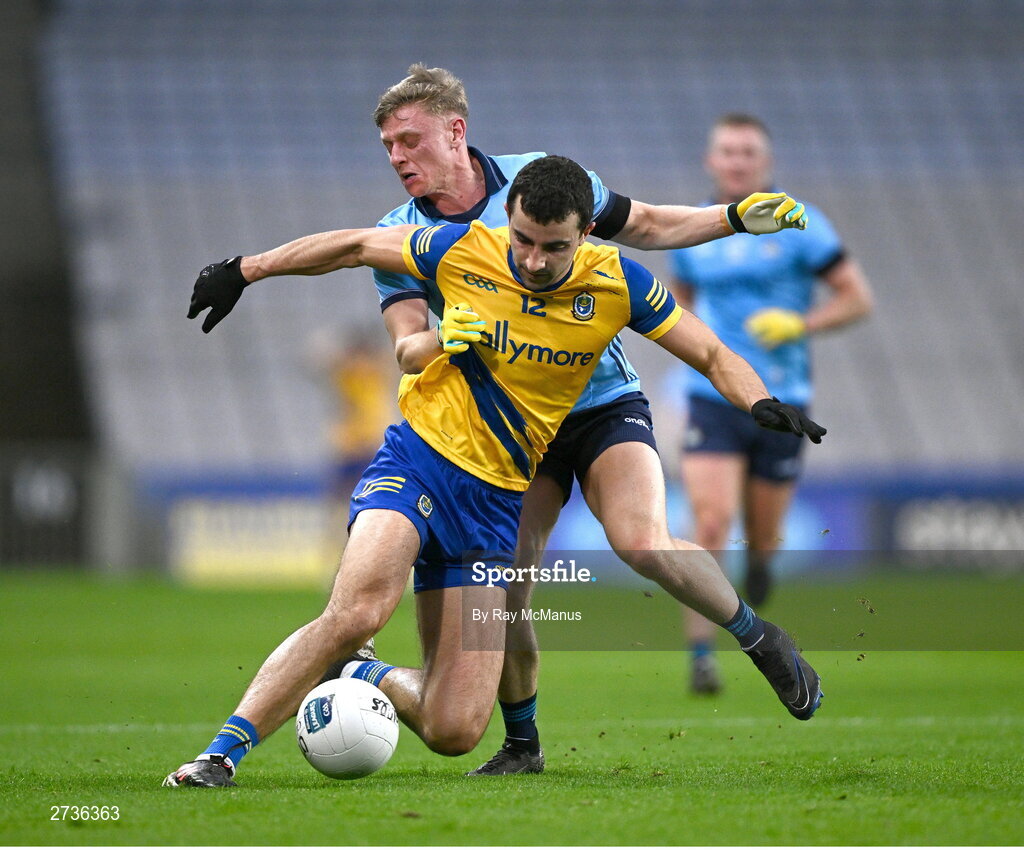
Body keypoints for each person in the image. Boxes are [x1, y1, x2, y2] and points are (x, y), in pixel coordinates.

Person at [167, 155, 825, 788]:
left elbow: (708, 347)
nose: (534, 260)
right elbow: (354, 247)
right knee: (361, 609)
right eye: (523, 240)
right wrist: (244, 270)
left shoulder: (618, 281)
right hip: (421, 463)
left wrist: (761, 399)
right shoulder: (458, 249)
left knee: (460, 722)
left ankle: (757, 640)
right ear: (506, 217)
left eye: (554, 248)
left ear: (586, 233)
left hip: (534, 465)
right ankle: (220, 757)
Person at [361, 65, 811, 776]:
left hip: (601, 407)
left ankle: (760, 639)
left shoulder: (547, 183)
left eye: (408, 139)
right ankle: (522, 745)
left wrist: (729, 217)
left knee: (641, 541)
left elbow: (654, 228)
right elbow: (406, 345)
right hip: (508, 427)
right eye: (386, 144)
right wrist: (429, 344)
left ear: (455, 130)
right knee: (505, 585)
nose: (396, 157)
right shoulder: (397, 236)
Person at [669, 114, 874, 694]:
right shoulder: (694, 233)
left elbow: (857, 299)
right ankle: (701, 654)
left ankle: (758, 564)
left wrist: (801, 323)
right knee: (708, 520)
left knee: (764, 537)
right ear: (711, 161)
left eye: (748, 153)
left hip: (783, 401)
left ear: (765, 163)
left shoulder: (803, 226)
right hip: (712, 399)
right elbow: (675, 308)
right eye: (727, 152)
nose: (737, 161)